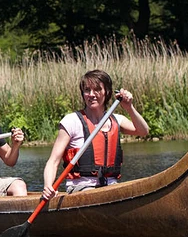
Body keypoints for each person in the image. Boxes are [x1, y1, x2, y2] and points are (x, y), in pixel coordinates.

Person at [42, 69, 150, 200]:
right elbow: (53, 161)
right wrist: (48, 186)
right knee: (102, 196)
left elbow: (143, 131)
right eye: (87, 90)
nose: (91, 94)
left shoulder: (116, 119)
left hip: (111, 185)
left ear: (107, 92)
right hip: (81, 187)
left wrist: (129, 107)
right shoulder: (71, 121)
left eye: (97, 89)